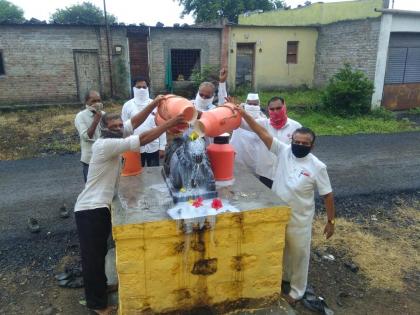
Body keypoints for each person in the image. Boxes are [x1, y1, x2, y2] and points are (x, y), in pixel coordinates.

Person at [74, 96, 184, 315]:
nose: (118, 128)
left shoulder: (114, 136)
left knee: (100, 253)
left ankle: (101, 289)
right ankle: (97, 305)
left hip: (98, 207)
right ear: (104, 130)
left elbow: (134, 122)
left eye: (119, 125)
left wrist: (155, 103)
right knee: (93, 259)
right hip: (90, 210)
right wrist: (170, 124)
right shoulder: (105, 145)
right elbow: (141, 139)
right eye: (113, 126)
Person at [236, 104, 336, 306]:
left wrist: (331, 221)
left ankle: (297, 291)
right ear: (291, 141)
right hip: (279, 214)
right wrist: (244, 114)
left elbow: (328, 195)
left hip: (300, 218)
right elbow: (261, 132)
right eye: (297, 141)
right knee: (280, 249)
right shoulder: (283, 151)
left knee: (299, 254)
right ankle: (282, 278)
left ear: (312, 146)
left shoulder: (317, 166)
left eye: (304, 143)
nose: (300, 145)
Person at [240, 96, 301, 189]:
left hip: (286, 174)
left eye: (278, 108)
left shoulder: (296, 127)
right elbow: (243, 124)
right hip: (266, 174)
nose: (275, 112)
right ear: (268, 110)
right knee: (266, 202)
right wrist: (233, 109)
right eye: (272, 109)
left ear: (284, 107)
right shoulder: (263, 124)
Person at [121, 76, 166, 167]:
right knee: (136, 175)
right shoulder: (127, 105)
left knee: (154, 175)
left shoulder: (156, 104)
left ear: (148, 88)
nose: (142, 89)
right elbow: (123, 129)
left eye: (144, 87)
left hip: (153, 146)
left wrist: (162, 147)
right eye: (138, 87)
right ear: (134, 88)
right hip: (134, 147)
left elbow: (162, 127)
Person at [230, 93, 266, 173]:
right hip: (236, 157)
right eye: (249, 104)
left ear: (259, 105)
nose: (252, 106)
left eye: (255, 104)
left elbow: (251, 124)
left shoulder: (263, 120)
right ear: (246, 104)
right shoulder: (237, 116)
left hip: (253, 159)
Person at [74, 90, 105, 182]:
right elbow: (86, 137)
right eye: (93, 101)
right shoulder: (80, 116)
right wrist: (96, 120)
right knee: (91, 189)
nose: (97, 104)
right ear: (86, 102)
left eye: (99, 101)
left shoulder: (104, 114)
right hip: (90, 160)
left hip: (104, 158)